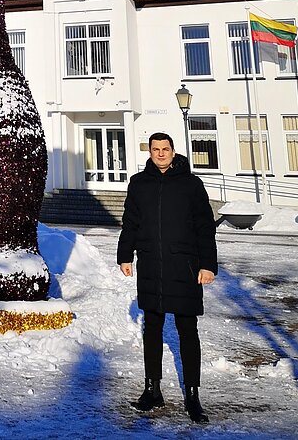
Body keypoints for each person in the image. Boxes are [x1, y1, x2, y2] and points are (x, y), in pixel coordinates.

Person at [117, 132, 217, 423]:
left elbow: (204, 227)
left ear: (174, 151)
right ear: (149, 151)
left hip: (184, 267)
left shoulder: (191, 184)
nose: (160, 153)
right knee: (152, 329)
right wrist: (125, 255)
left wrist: (208, 265)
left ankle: (193, 395)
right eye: (155, 149)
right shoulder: (139, 184)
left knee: (187, 331)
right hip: (151, 266)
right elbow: (130, 222)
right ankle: (152, 389)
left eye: (165, 149)